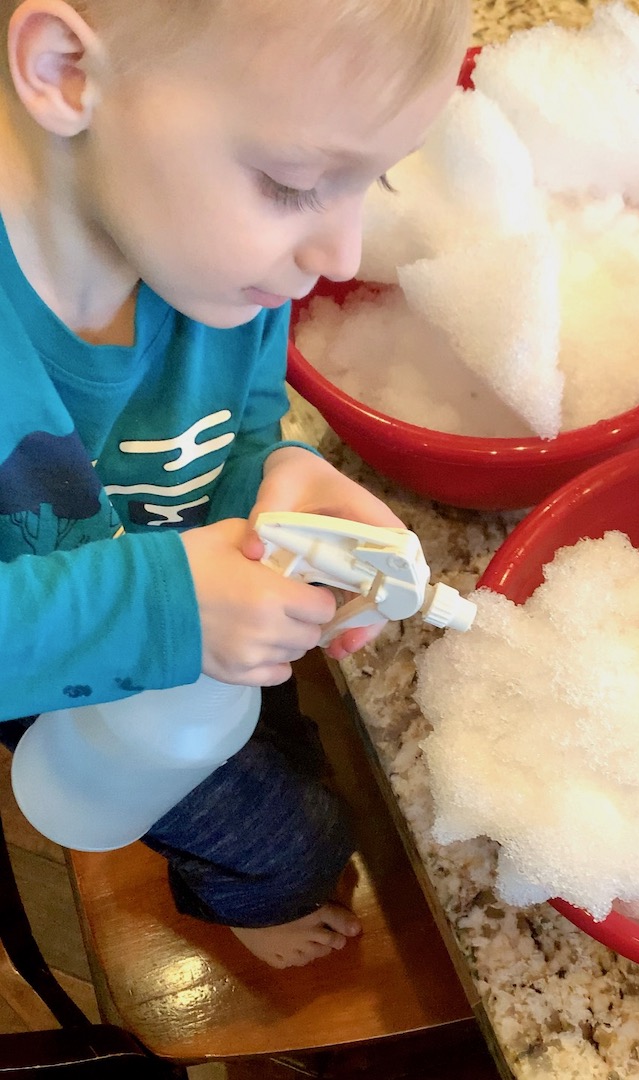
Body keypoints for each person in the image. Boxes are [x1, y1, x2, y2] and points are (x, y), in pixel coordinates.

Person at [0, 0, 470, 967]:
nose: (338, 257)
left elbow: (237, 416)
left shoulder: (205, 257)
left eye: (369, 180)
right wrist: (163, 606)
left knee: (285, 730)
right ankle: (245, 904)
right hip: (45, 665)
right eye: (293, 182)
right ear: (64, 72)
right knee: (287, 842)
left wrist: (274, 473)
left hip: (175, 607)